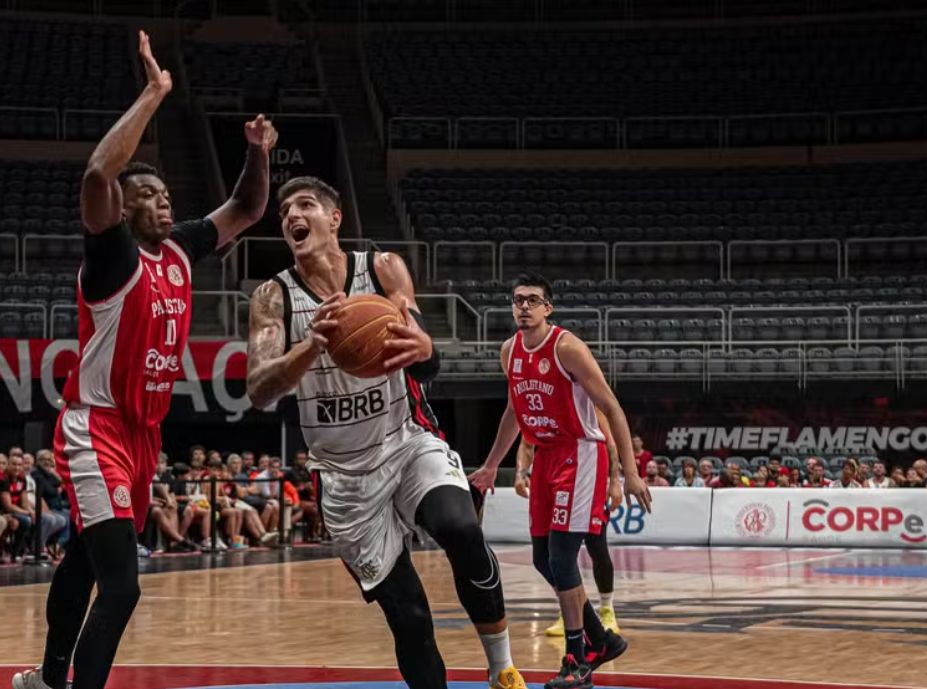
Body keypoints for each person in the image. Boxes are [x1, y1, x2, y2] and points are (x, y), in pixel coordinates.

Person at [14, 31, 275, 689]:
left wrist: (256, 151)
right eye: (152, 195)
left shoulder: (182, 249)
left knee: (82, 559)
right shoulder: (112, 254)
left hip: (143, 433)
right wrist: (155, 93)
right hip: (93, 425)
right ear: (126, 208)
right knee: (123, 585)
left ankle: (46, 676)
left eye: (166, 195)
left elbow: (247, 207)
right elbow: (97, 173)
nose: (167, 202)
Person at [246, 176, 528, 689]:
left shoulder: (381, 268)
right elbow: (260, 392)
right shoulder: (273, 297)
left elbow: (426, 362)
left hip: (406, 440)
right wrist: (311, 347)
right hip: (343, 475)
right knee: (411, 618)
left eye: (305, 205)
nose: (291, 215)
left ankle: (502, 667)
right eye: (284, 210)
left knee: (461, 529)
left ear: (335, 219)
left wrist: (425, 348)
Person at [468, 273, 650, 689]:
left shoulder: (567, 348)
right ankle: (601, 639)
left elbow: (613, 408)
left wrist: (630, 471)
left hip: (581, 453)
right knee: (541, 559)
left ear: (548, 308)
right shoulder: (508, 351)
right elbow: (514, 412)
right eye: (518, 300)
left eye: (533, 300)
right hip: (545, 456)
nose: (524, 307)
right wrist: (494, 463)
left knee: (563, 558)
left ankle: (577, 660)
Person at [522, 410, 623, 640]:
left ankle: (607, 609)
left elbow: (610, 441)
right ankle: (570, 612)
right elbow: (525, 441)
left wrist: (615, 481)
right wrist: (521, 472)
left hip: (587, 472)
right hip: (555, 469)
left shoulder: (584, 401)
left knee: (597, 547)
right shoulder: (538, 404)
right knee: (558, 554)